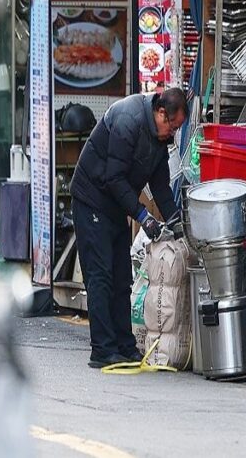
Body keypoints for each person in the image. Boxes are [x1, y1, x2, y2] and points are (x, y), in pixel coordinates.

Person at [69, 88, 187, 368]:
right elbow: (114, 178)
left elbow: (160, 185)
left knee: (122, 278)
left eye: (176, 129)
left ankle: (124, 345)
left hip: (115, 206)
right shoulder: (128, 119)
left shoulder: (159, 139)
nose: (172, 133)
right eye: (172, 125)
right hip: (91, 199)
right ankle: (102, 349)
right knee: (101, 276)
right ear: (161, 112)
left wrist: (175, 221)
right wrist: (142, 216)